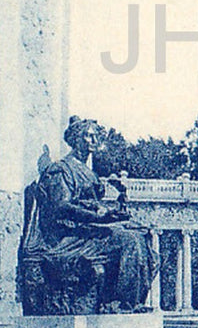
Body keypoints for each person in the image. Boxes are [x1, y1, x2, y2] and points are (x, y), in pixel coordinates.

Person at [22, 116, 155, 311]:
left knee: (142, 235)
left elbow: (93, 204)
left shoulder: (88, 172)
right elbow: (62, 207)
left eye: (95, 136)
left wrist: (115, 209)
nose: (93, 141)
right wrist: (99, 217)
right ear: (76, 139)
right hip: (68, 236)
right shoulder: (61, 169)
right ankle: (125, 304)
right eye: (88, 136)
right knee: (130, 240)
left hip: (88, 230)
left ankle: (127, 301)